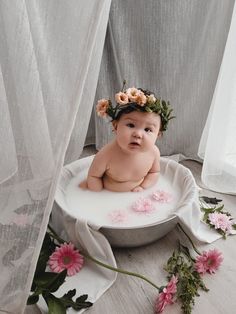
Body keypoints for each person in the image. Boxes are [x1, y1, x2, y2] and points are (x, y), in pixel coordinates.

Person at [79, 84, 174, 192]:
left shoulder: (153, 153)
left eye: (147, 129)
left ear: (158, 135)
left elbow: (154, 173)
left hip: (135, 198)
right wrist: (96, 194)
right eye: (131, 125)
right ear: (116, 126)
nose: (138, 134)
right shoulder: (107, 154)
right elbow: (93, 177)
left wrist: (143, 187)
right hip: (109, 195)